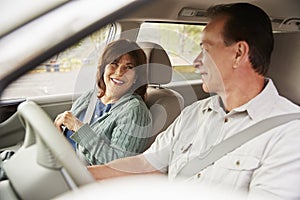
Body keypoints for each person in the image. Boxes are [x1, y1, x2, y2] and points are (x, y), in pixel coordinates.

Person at [87, 3, 300, 199]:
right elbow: (145, 164)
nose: (196, 61)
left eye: (206, 49)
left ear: (238, 53)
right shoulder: (194, 114)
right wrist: (83, 176)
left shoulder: (289, 133)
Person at [54, 39, 152, 165]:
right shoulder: (90, 96)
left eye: (128, 67)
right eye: (114, 63)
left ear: (136, 77)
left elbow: (117, 166)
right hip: (62, 164)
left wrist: (78, 128)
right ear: (103, 68)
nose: (119, 72)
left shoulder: (134, 111)